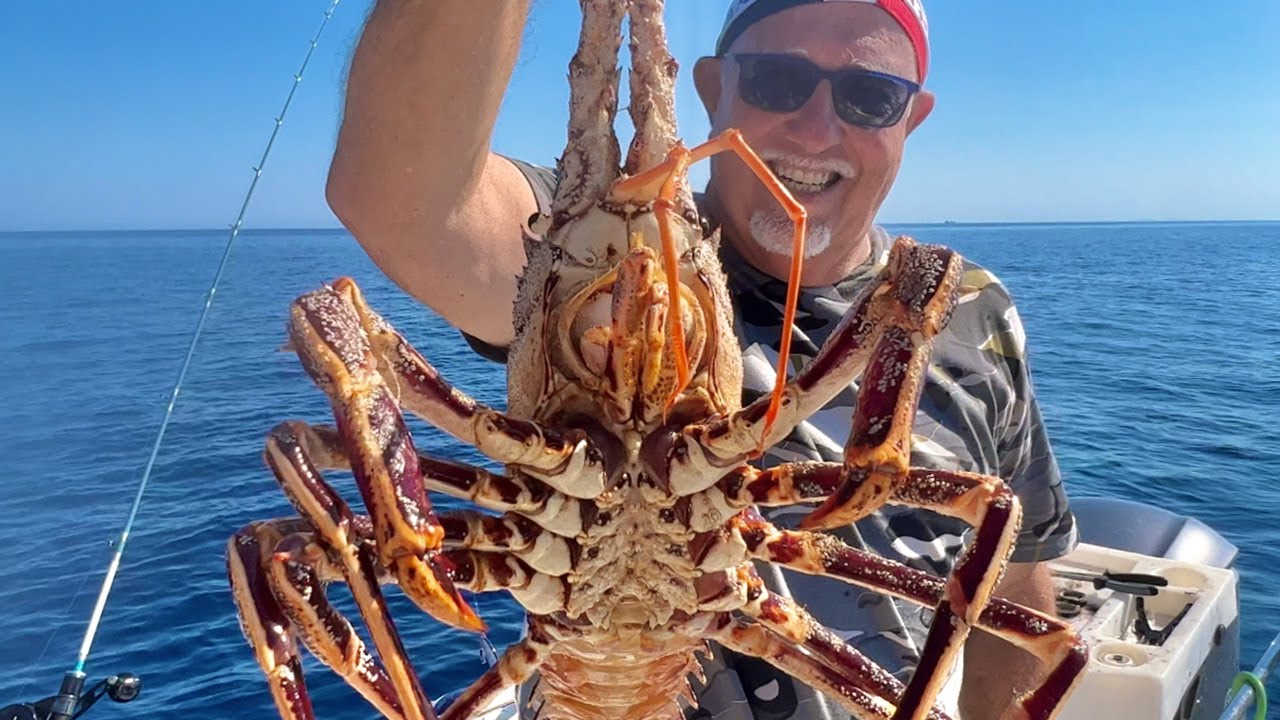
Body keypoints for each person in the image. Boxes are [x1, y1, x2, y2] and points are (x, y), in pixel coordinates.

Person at [326, 1, 1078, 718]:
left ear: (912, 117)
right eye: (777, 80)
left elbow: (1019, 568)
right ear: (713, 87)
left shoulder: (968, 308)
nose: (817, 130)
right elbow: (407, 197)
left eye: (869, 96)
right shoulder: (575, 249)